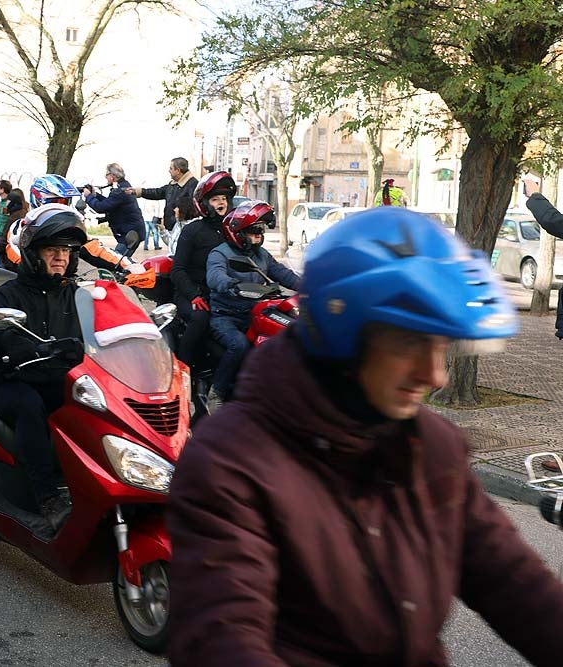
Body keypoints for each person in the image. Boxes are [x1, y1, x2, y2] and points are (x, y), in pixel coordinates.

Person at [167, 208, 563, 667]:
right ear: (344, 337)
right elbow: (221, 640)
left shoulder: (430, 445)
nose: (434, 374)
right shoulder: (229, 465)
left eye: (440, 346)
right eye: (410, 344)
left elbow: (510, 579)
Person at [0, 204, 87, 531]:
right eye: (53, 250)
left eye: (66, 251)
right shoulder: (8, 295)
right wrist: (13, 343)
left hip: (63, 380)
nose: (61, 257)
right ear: (33, 254)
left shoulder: (77, 296)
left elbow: (102, 329)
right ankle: (47, 497)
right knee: (30, 406)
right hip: (16, 382)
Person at [206, 201, 300, 402]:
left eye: (261, 230)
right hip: (227, 315)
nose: (259, 235)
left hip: (256, 311)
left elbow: (282, 273)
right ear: (237, 232)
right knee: (239, 345)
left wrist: (310, 286)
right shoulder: (220, 253)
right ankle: (218, 390)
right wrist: (233, 285)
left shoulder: (261, 254)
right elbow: (215, 276)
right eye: (254, 230)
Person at [2, 175, 144, 275]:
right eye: (57, 202)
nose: (62, 207)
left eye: (65, 202)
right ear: (39, 200)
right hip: (32, 291)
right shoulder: (21, 226)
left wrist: (128, 264)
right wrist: (38, 271)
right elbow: (15, 255)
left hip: (65, 289)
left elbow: (96, 249)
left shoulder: (71, 230)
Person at [170, 170, 238, 366]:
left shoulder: (234, 231)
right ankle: (183, 369)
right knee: (200, 318)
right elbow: (178, 270)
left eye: (224, 198)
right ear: (205, 203)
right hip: (193, 293)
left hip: (223, 293)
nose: (221, 203)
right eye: (215, 198)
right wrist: (193, 295)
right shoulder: (192, 231)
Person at [82, 163, 146, 256]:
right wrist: (95, 195)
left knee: (117, 262)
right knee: (119, 262)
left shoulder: (120, 191)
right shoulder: (122, 187)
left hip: (130, 234)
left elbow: (101, 207)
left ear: (112, 176)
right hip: (131, 232)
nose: (106, 177)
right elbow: (110, 203)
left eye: (106, 175)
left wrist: (88, 196)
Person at [128, 157, 198, 232]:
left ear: (178, 170)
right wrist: (138, 191)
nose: (169, 171)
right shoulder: (172, 185)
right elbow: (157, 192)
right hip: (171, 229)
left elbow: (195, 210)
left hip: (184, 230)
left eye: (171, 168)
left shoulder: (194, 185)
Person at [0, 179, 12, 267]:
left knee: (0, 263)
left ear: (3, 189)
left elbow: (6, 220)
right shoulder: (3, 202)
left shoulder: (7, 203)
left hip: (1, 237)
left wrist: (0, 233)